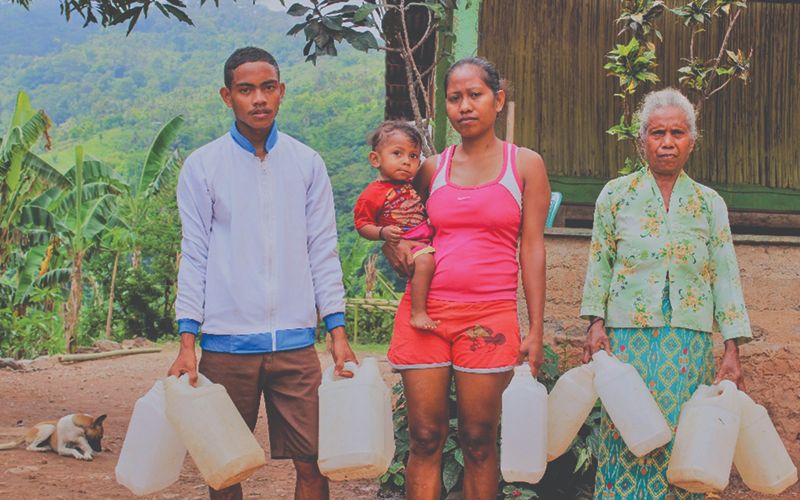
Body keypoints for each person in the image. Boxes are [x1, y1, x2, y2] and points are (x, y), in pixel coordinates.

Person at [167, 46, 357, 500]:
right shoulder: (203, 166)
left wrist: (337, 328)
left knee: (315, 463)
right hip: (226, 342)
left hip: (294, 343)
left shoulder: (306, 162)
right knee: (225, 467)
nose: (258, 99)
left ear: (282, 92)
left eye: (267, 87)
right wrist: (187, 341)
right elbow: (193, 254)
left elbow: (323, 250)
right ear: (226, 96)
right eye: (246, 89)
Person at [383, 57, 551, 500]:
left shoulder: (526, 165)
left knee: (478, 440)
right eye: (455, 98)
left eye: (475, 95)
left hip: (489, 316)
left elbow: (532, 248)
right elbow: (399, 221)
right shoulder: (431, 168)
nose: (464, 106)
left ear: (497, 100)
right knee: (424, 436)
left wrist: (535, 328)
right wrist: (393, 246)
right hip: (427, 316)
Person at [580, 87, 752, 500]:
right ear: (643, 140)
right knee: (627, 436)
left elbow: (725, 276)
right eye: (658, 133)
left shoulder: (710, 204)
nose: (668, 143)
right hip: (626, 342)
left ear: (692, 140)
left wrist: (731, 348)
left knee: (682, 439)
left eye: (677, 133)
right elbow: (600, 262)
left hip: (688, 342)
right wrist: (595, 324)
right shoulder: (615, 196)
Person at [353, 121, 437, 330]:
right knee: (425, 263)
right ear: (375, 159)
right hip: (408, 242)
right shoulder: (373, 194)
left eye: (413, 156)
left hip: (425, 238)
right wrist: (382, 232)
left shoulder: (411, 185)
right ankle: (418, 313)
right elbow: (362, 224)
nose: (406, 162)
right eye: (397, 154)